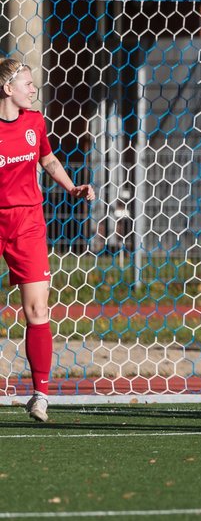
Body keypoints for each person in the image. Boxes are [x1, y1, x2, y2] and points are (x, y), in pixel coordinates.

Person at [0, 60, 94, 423]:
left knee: (37, 311)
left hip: (28, 222)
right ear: (8, 89)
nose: (33, 88)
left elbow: (48, 159)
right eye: (27, 83)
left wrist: (72, 187)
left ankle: (40, 395)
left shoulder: (35, 122)